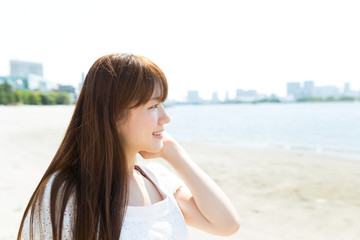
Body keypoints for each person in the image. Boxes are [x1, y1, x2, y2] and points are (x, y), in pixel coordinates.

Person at [18, 53, 240, 239]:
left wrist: (175, 154)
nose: (166, 117)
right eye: (153, 106)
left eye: (162, 104)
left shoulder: (158, 180)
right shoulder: (63, 192)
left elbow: (227, 224)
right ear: (114, 114)